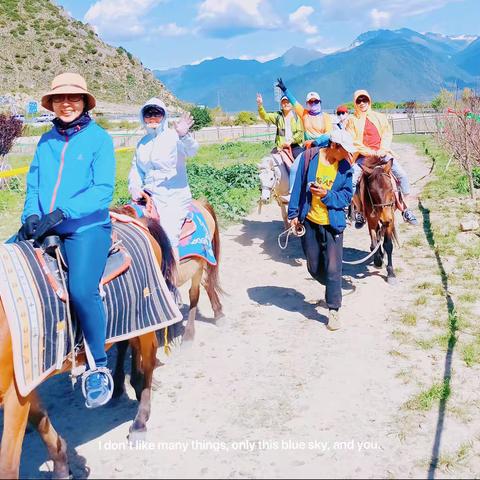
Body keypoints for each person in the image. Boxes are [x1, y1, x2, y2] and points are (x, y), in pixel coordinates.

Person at [17, 72, 116, 408]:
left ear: (85, 102)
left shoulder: (99, 139)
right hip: (45, 224)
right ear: (52, 104)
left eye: (74, 98)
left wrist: (62, 213)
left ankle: (99, 367)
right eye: (60, 98)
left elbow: (103, 190)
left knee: (80, 289)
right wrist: (31, 216)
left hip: (85, 228)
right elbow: (33, 185)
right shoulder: (45, 142)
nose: (67, 103)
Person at [288, 129, 354, 331]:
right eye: (345, 150)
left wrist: (326, 195)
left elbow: (345, 197)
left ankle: (333, 309)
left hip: (332, 223)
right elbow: (298, 187)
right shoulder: (310, 158)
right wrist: (292, 215)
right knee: (314, 267)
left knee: (334, 269)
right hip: (309, 220)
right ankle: (332, 287)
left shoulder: (346, 167)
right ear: (334, 146)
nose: (348, 155)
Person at [128, 98, 198, 256]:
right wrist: (133, 186)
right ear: (142, 117)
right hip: (148, 196)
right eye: (148, 114)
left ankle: (170, 276)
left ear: (164, 116)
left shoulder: (174, 136)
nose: (152, 118)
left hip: (172, 197)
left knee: (167, 236)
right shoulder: (142, 143)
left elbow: (192, 151)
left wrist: (184, 136)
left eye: (157, 113)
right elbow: (136, 169)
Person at [346, 90, 418, 227]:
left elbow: (387, 133)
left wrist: (382, 149)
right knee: (352, 180)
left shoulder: (379, 117)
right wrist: (369, 152)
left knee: (402, 175)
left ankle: (406, 209)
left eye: (364, 100)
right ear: (355, 103)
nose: (362, 103)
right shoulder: (352, 121)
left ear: (369, 101)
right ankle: (359, 211)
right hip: (363, 157)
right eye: (359, 101)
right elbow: (353, 141)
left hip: (382, 154)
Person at [256, 92, 304, 158]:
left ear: (291, 104)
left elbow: (300, 133)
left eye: (288, 102)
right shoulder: (278, 116)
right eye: (284, 102)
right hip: (281, 147)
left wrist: (291, 141)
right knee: (269, 160)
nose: (286, 104)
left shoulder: (297, 117)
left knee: (301, 159)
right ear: (281, 104)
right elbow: (265, 116)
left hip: (294, 145)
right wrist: (260, 105)